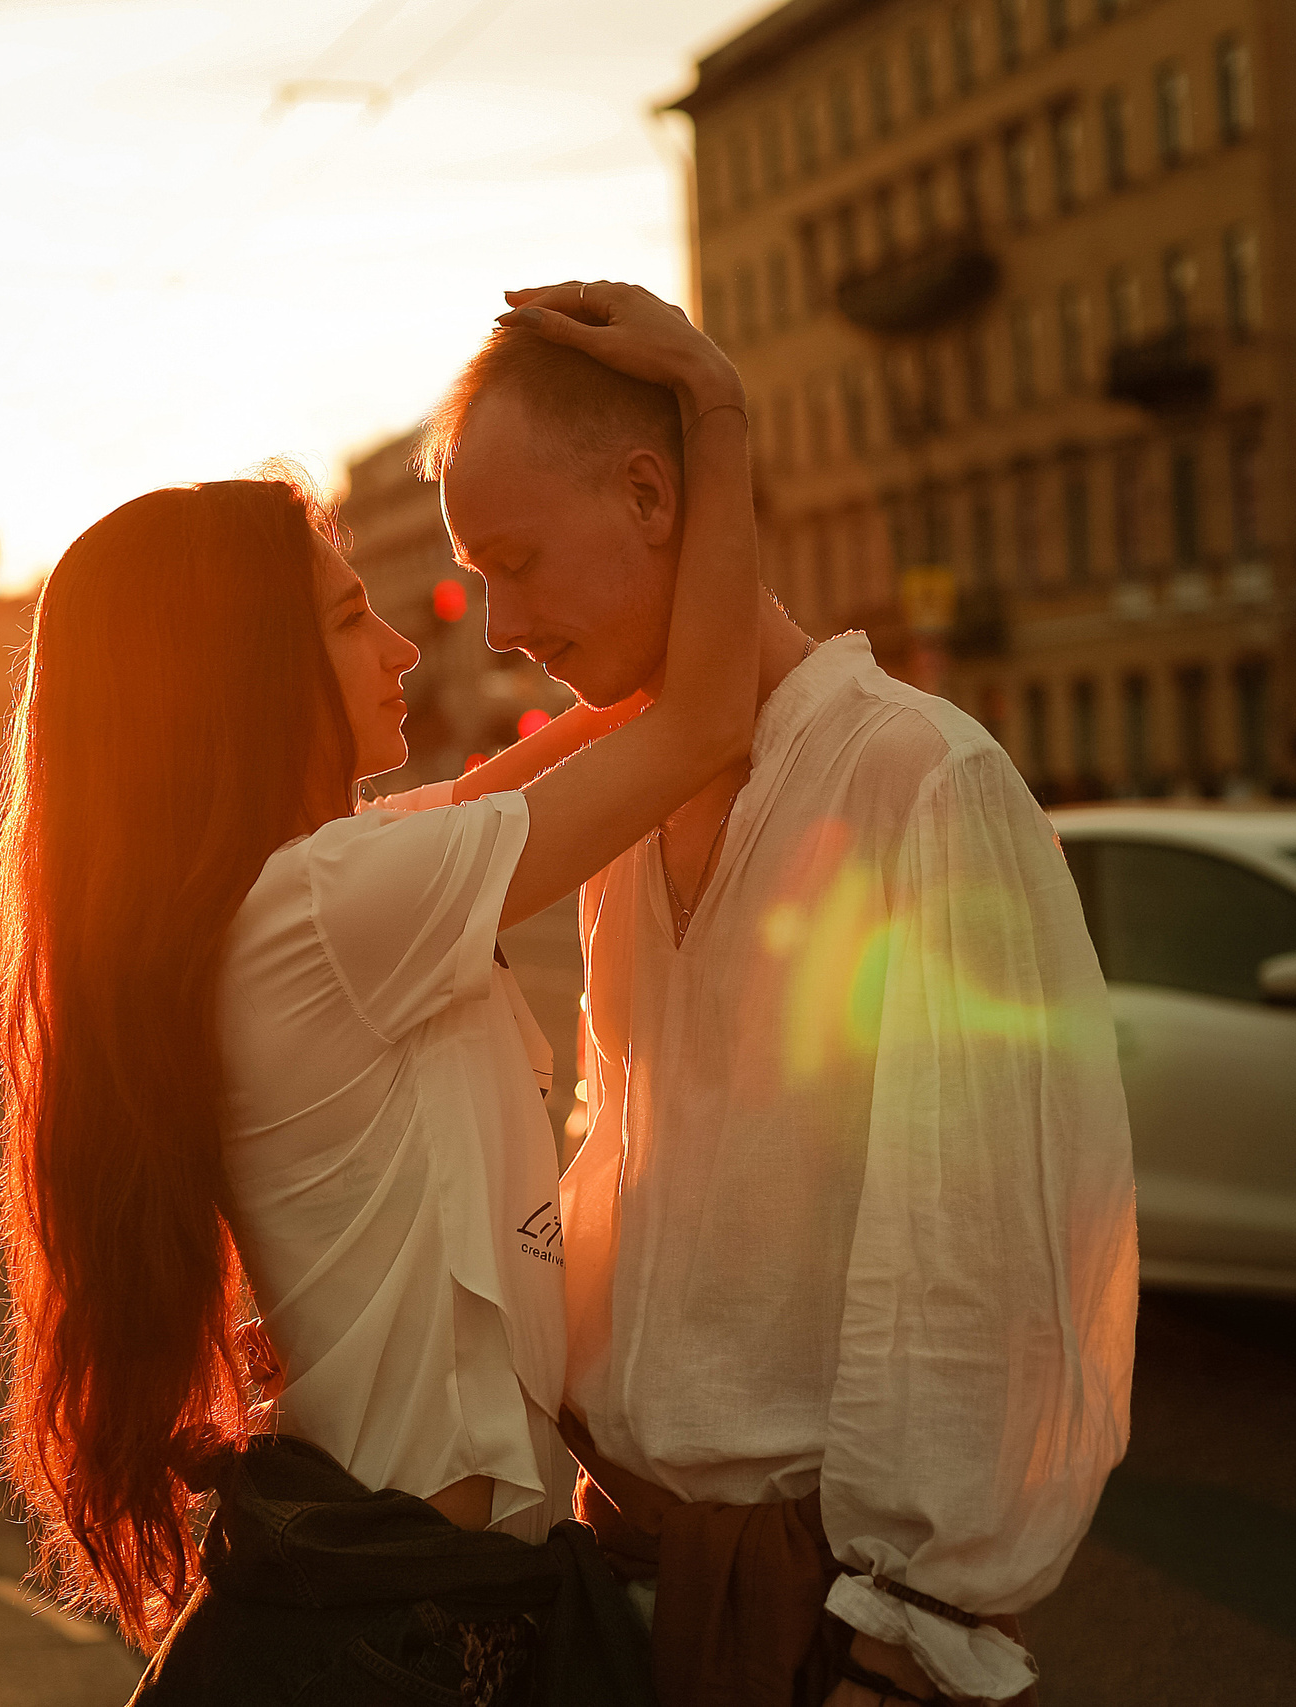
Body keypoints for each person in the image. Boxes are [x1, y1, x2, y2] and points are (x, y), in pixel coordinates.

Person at [0, 281, 765, 1703]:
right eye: (353, 618)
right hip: (401, 1638)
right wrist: (710, 412)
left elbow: (593, 738)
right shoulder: (328, 909)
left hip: (392, 1610)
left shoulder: (304, 890)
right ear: (243, 677)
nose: (405, 647)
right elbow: (703, 721)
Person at [418, 293, 1138, 1707]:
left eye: (515, 561)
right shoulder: (625, 800)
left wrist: (907, 1631)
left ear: (648, 494)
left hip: (815, 1611)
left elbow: (990, 1234)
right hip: (619, 1549)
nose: (501, 627)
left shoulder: (920, 778)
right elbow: (633, 1149)